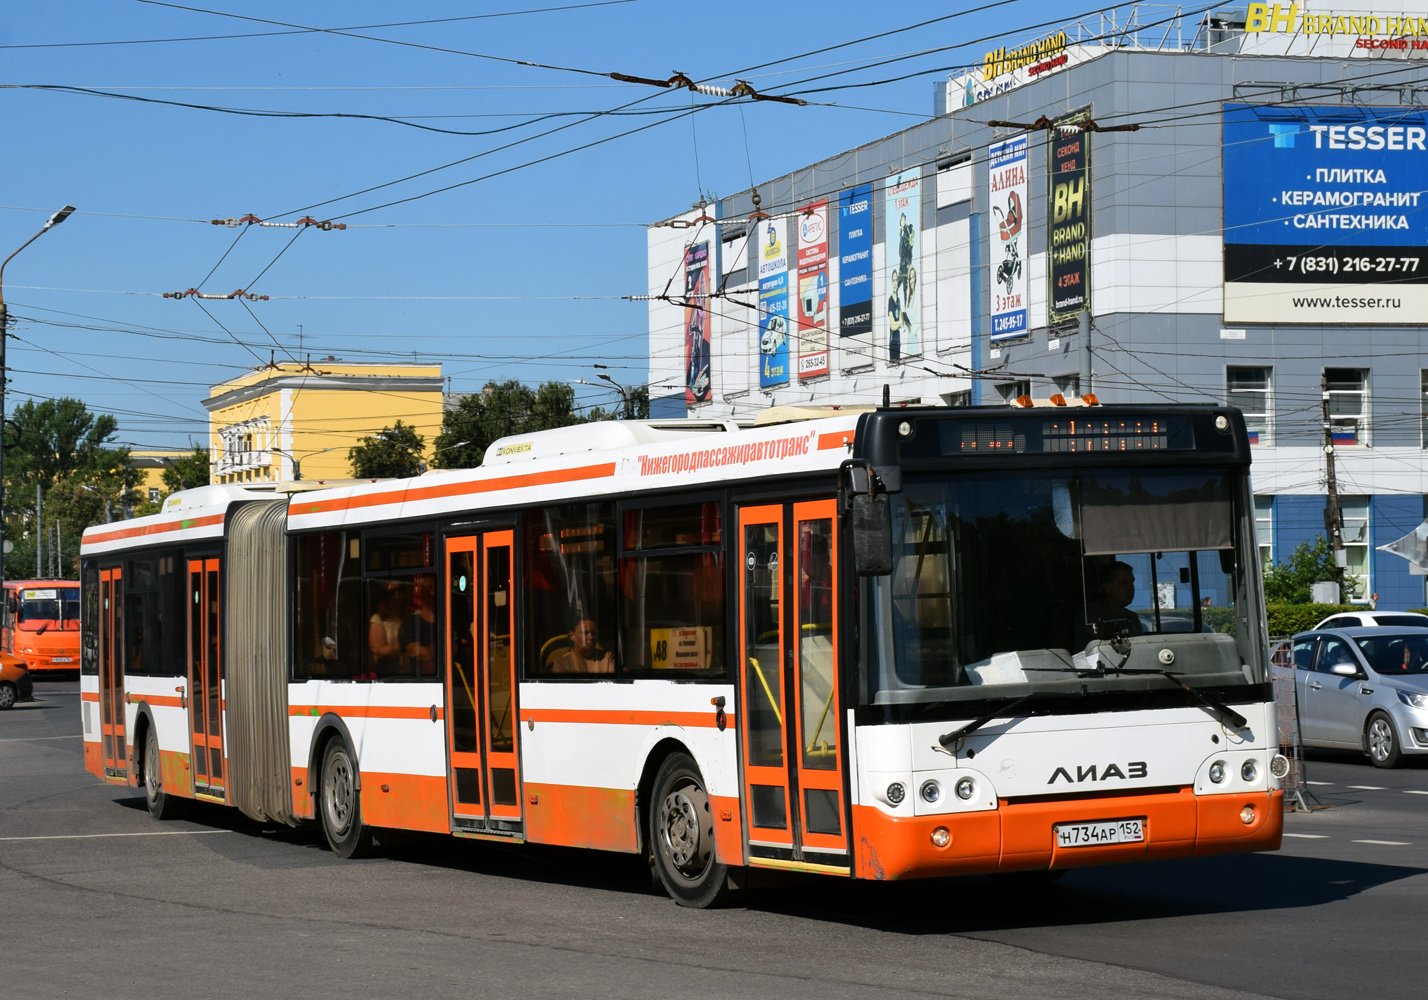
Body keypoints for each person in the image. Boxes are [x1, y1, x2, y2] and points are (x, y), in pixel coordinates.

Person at [1080, 560, 1145, 645]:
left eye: (1132, 582)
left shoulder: (1132, 618)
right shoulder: (1089, 615)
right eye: (1124, 583)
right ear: (1107, 588)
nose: (1131, 588)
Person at [550, 616, 615, 675]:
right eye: (585, 633)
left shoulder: (607, 658)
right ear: (572, 636)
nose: (591, 637)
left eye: (594, 633)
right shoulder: (562, 663)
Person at [402, 574, 438, 676]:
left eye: (435, 588)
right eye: (429, 589)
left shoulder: (444, 618)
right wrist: (445, 650)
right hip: (423, 679)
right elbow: (414, 651)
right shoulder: (412, 621)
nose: (433, 593)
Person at [367, 585, 403, 676]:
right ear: (386, 596)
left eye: (400, 590)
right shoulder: (378, 618)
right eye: (392, 591)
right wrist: (406, 646)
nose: (397, 593)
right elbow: (378, 651)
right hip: (386, 672)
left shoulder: (409, 616)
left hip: (406, 670)